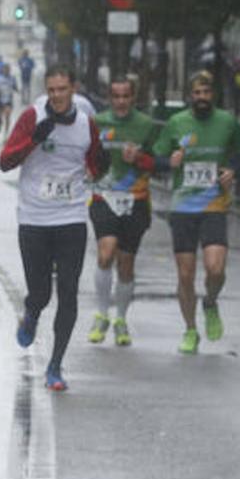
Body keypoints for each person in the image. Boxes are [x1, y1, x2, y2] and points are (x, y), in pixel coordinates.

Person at [0, 66, 108, 390]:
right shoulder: (32, 117)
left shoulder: (86, 123)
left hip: (71, 217)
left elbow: (97, 164)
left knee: (69, 291)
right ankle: (31, 313)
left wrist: (103, 163)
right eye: (52, 90)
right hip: (34, 219)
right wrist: (34, 139)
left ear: (73, 89)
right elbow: (5, 161)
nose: (57, 96)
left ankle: (56, 365)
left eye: (63, 89)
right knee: (41, 292)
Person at [150, 71, 240, 354]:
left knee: (215, 268)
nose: (202, 98)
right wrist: (168, 161)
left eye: (206, 93)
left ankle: (210, 301)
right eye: (197, 93)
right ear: (190, 95)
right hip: (182, 208)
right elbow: (157, 158)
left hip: (214, 205)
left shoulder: (227, 122)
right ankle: (190, 330)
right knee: (185, 274)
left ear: (213, 95)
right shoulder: (176, 123)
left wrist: (234, 171)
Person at [87, 76, 158, 346]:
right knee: (106, 253)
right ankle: (101, 314)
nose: (120, 102)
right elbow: (88, 157)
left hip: (136, 200)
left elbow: (159, 162)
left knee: (126, 263)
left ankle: (120, 319)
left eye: (125, 96)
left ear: (133, 98)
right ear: (109, 97)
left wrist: (139, 158)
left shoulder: (146, 125)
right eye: (115, 96)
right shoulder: (97, 123)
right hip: (104, 197)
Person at [0, 62, 18, 134]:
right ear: (3, 70)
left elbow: (15, 87)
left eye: (8, 69)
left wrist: (16, 90)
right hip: (0, 99)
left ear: (10, 70)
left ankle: (6, 132)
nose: (6, 71)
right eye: (5, 69)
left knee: (7, 116)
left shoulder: (12, 78)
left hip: (8, 100)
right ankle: (0, 124)